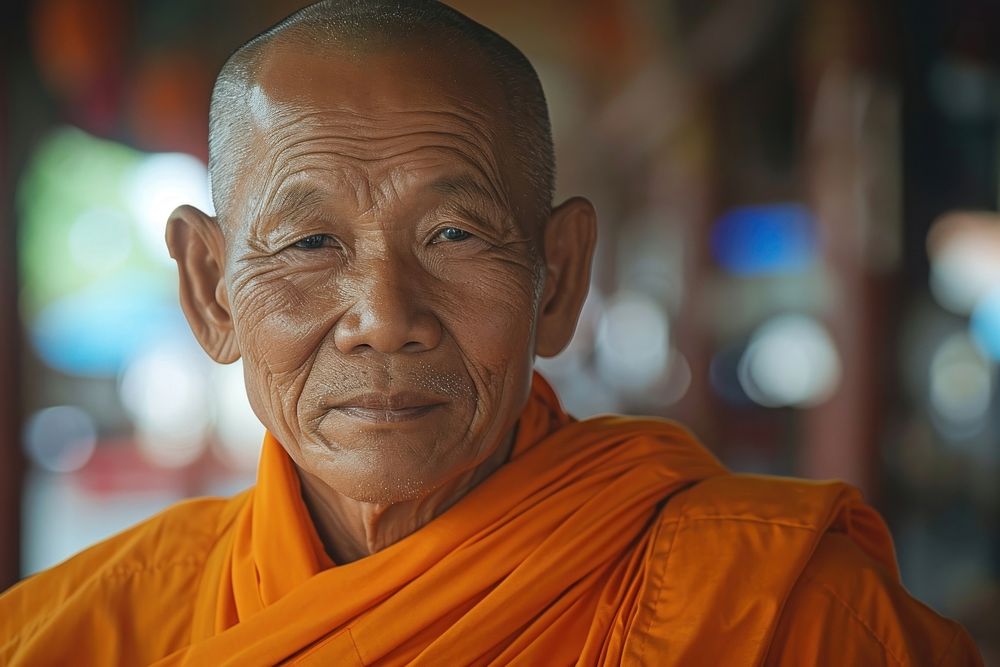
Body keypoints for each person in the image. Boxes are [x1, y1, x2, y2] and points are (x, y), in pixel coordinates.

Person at [0, 1, 984, 664]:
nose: (383, 316)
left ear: (556, 277)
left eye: (453, 232)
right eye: (307, 241)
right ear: (211, 289)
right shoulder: (80, 634)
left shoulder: (779, 618)